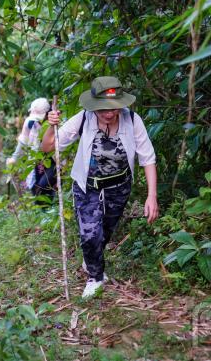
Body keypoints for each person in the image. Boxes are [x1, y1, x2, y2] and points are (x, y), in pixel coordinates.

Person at [41, 76, 159, 298]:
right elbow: (48, 147)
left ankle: (91, 260)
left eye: (113, 108)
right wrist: (51, 126)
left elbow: (148, 158)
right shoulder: (83, 119)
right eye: (102, 108)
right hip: (87, 186)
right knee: (89, 233)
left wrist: (152, 196)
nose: (108, 113)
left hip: (119, 186)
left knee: (104, 233)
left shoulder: (132, 120)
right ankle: (95, 277)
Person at [6, 97, 56, 200]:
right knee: (35, 189)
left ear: (47, 114)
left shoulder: (54, 123)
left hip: (53, 160)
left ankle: (50, 209)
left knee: (43, 186)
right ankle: (43, 213)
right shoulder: (30, 123)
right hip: (37, 160)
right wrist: (14, 159)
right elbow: (23, 142)